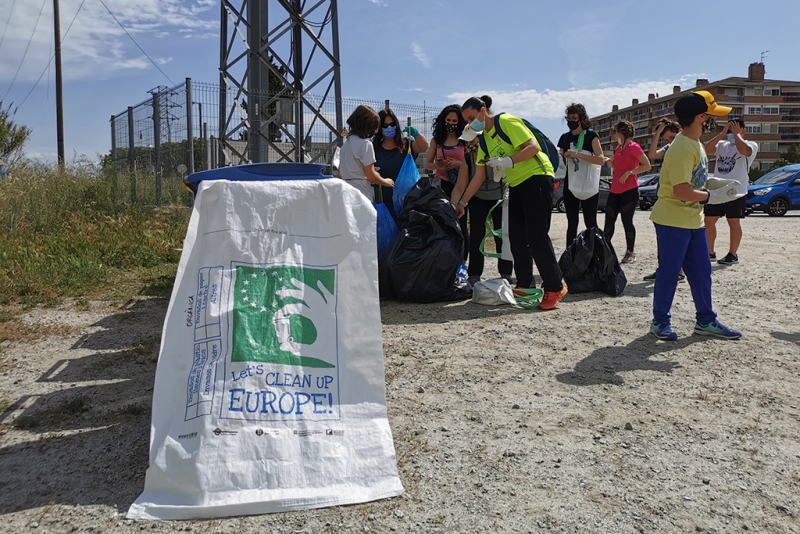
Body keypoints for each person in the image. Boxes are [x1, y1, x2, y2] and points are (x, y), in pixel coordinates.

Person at [649, 90, 744, 341]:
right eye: (710, 115)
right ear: (701, 117)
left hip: (693, 220)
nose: (713, 120)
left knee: (702, 272)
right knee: (669, 273)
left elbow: (693, 181)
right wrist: (713, 197)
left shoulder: (695, 144)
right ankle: (659, 321)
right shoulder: (682, 147)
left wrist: (713, 183)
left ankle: (706, 320)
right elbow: (680, 191)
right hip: (672, 220)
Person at [458, 95, 567, 310]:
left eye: (472, 118)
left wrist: (509, 161)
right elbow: (477, 177)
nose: (470, 124)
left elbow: (533, 147)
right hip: (516, 184)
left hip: (537, 177)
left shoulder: (505, 121)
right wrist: (462, 202)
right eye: (467, 121)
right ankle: (526, 284)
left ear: (483, 110)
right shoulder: (484, 143)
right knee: (516, 237)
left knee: (536, 235)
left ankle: (555, 287)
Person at [449, 124, 514, 285]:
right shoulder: (468, 158)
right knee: (477, 235)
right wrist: (452, 206)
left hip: (499, 197)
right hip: (478, 198)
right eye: (466, 142)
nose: (469, 145)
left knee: (502, 234)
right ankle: (474, 274)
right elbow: (460, 186)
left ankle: (506, 272)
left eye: (472, 140)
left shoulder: (497, 152)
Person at [704, 118, 758, 265]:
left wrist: (736, 134)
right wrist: (722, 134)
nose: (731, 132)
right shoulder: (722, 145)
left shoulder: (751, 145)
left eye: (734, 128)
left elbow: (743, 150)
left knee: (733, 221)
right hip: (717, 189)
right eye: (729, 129)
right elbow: (706, 150)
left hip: (736, 190)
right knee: (708, 220)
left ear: (744, 130)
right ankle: (710, 252)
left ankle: (732, 254)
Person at [557, 103, 607, 248]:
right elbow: (561, 159)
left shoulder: (591, 136)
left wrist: (578, 154)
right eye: (568, 118)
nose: (570, 121)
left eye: (574, 118)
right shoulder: (564, 138)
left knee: (590, 222)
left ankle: (596, 255)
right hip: (571, 182)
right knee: (572, 223)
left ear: (581, 119)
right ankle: (570, 257)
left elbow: (600, 159)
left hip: (588, 183)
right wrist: (562, 156)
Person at [644, 118, 685, 283]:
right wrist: (657, 135)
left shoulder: (686, 147)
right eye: (667, 138)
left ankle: (678, 271)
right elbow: (652, 155)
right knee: (663, 236)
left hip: (679, 198)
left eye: (672, 137)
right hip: (665, 196)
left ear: (680, 132)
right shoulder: (669, 148)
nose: (670, 141)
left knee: (676, 237)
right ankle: (664, 269)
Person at [604, 121, 651, 264]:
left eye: (615, 131)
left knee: (627, 221)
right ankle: (604, 251)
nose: (614, 135)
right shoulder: (617, 149)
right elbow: (617, 167)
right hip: (615, 190)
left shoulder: (634, 147)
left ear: (621, 132)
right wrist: (608, 161)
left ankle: (630, 252)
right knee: (609, 222)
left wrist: (631, 172)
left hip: (629, 190)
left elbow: (647, 165)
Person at [426, 105, 469, 258]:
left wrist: (457, 164)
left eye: (454, 120)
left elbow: (471, 163)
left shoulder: (465, 140)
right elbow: (428, 165)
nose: (450, 123)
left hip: (460, 183)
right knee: (442, 222)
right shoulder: (436, 140)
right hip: (441, 183)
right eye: (448, 120)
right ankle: (443, 257)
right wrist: (439, 164)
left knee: (461, 224)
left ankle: (462, 259)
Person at [372, 107, 428, 220]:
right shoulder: (374, 148)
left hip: (406, 202)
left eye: (392, 124)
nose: (389, 128)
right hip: (383, 202)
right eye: (385, 125)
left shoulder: (406, 145)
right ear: (379, 128)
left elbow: (423, 147)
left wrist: (416, 134)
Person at [339, 105, 394, 199]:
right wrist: (386, 182)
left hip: (344, 191)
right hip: (361, 193)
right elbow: (370, 175)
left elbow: (340, 174)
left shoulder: (345, 145)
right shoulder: (365, 144)